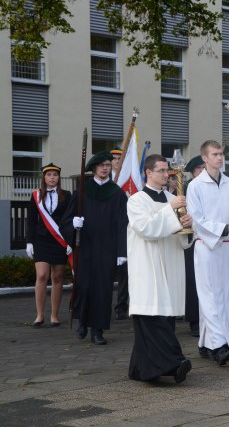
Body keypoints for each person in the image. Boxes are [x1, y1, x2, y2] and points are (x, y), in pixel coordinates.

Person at [127, 154, 193, 383]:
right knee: (152, 319)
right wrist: (171, 211)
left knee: (165, 318)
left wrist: (187, 226)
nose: (167, 175)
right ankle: (174, 362)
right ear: (149, 172)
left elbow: (182, 239)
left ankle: (140, 369)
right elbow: (146, 228)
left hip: (170, 265)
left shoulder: (171, 197)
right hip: (148, 268)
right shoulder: (136, 200)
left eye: (168, 171)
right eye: (162, 171)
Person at [186, 140, 229, 365]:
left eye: (221, 154)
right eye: (215, 154)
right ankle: (219, 346)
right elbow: (196, 219)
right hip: (207, 246)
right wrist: (223, 228)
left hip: (227, 247)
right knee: (209, 295)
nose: (220, 158)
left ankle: (205, 342)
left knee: (224, 295)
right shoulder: (195, 186)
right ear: (204, 158)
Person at [61, 151, 128, 345]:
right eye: (101, 165)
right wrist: (73, 225)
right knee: (84, 286)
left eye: (108, 165)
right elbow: (65, 221)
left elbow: (122, 224)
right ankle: (82, 321)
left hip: (107, 248)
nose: (105, 168)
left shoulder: (117, 194)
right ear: (94, 168)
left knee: (103, 289)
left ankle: (97, 330)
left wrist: (121, 251)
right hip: (85, 247)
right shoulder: (82, 192)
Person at [26, 163, 72, 327]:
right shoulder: (36, 195)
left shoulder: (67, 195)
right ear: (44, 178)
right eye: (49, 175)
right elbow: (31, 221)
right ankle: (39, 315)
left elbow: (69, 220)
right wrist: (30, 242)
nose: (52, 177)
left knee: (58, 277)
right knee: (42, 276)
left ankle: (54, 315)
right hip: (41, 240)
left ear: (59, 178)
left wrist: (70, 241)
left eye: (55, 175)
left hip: (59, 241)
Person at [183, 155, 205, 337]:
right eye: (200, 169)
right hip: (192, 240)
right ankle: (194, 320)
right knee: (193, 281)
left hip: (211, 240)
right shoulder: (188, 187)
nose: (203, 171)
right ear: (194, 172)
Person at [109, 146, 129, 321]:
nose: (117, 162)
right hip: (106, 232)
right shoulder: (104, 180)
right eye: (114, 159)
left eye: (119, 158)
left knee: (124, 273)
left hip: (124, 229)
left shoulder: (130, 176)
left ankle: (121, 306)